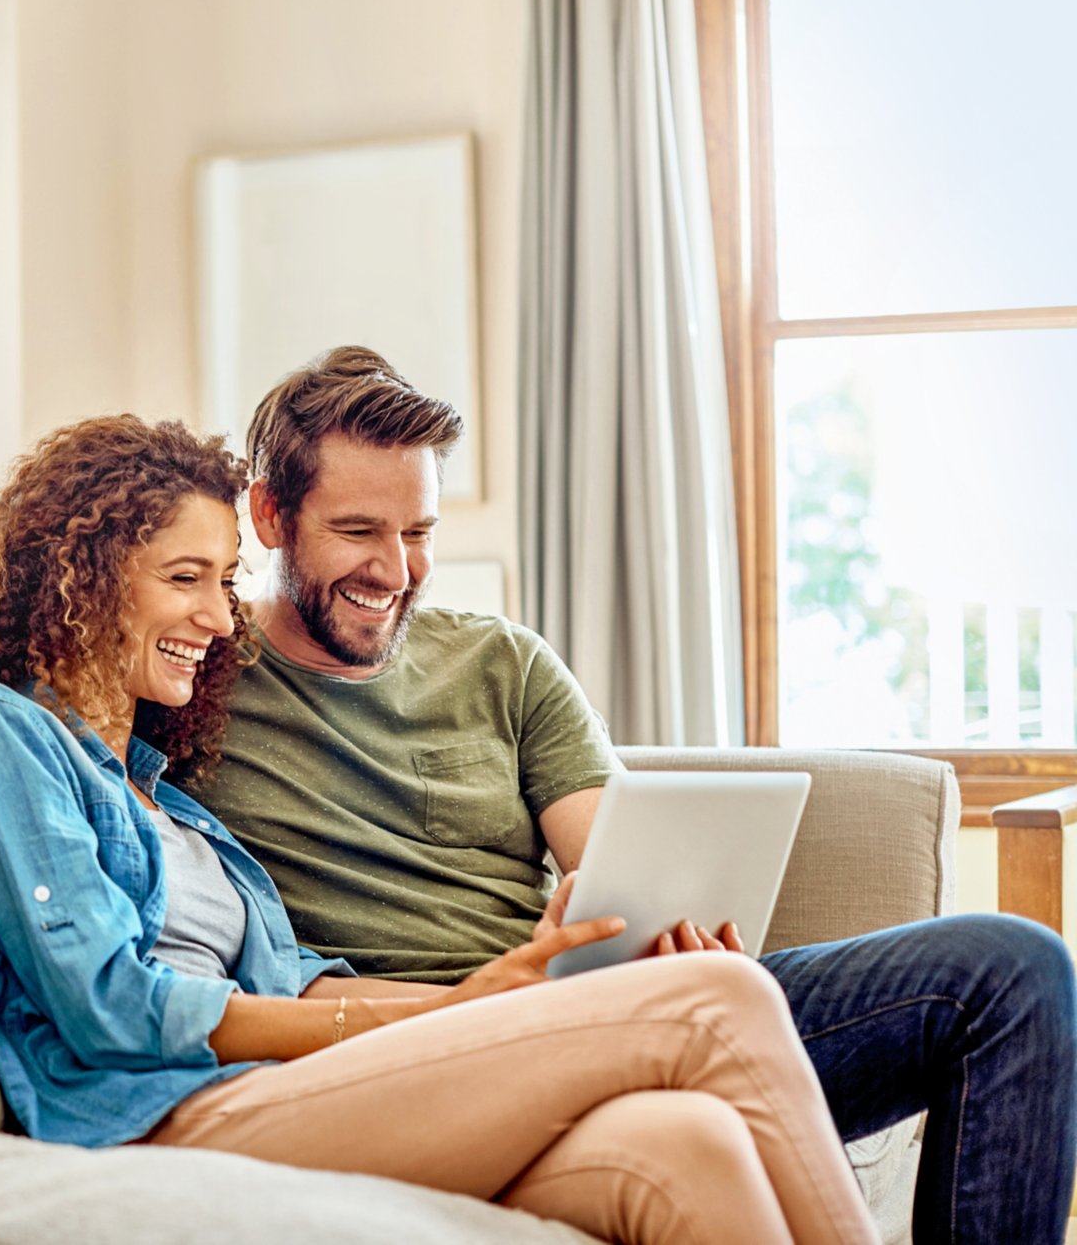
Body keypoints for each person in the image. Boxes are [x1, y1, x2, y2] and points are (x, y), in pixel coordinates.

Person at [0, 413, 880, 1245]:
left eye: (223, 583)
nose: (220, 620)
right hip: (151, 1121)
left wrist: (490, 996)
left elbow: (296, 981)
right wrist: (416, 1021)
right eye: (183, 579)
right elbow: (110, 1006)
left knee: (688, 1143)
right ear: (83, 574)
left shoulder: (168, 796)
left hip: (273, 1090)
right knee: (711, 994)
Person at [190, 345, 1077, 1245]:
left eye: (417, 532)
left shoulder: (501, 663)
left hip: (618, 1007)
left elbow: (620, 865)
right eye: (357, 531)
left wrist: (674, 927)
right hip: (434, 1053)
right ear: (270, 514)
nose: (394, 569)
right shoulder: (191, 692)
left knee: (1013, 970)